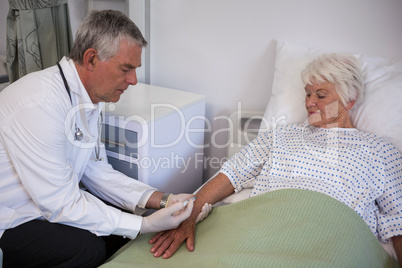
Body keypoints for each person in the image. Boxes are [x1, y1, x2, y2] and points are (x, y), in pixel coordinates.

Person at [0, 10, 209, 268]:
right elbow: (60, 204)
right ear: (91, 59)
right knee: (87, 250)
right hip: (11, 218)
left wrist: (163, 199)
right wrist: (143, 224)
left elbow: (95, 170)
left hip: (46, 203)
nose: (133, 80)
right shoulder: (39, 105)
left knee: (120, 228)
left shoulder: (88, 100)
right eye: (126, 68)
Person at [148, 53, 402, 264]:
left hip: (332, 238)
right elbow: (233, 172)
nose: (310, 103)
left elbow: (398, 220)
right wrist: (189, 215)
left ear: (350, 99)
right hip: (264, 226)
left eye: (321, 95)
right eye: (307, 93)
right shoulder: (283, 135)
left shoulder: (380, 151)